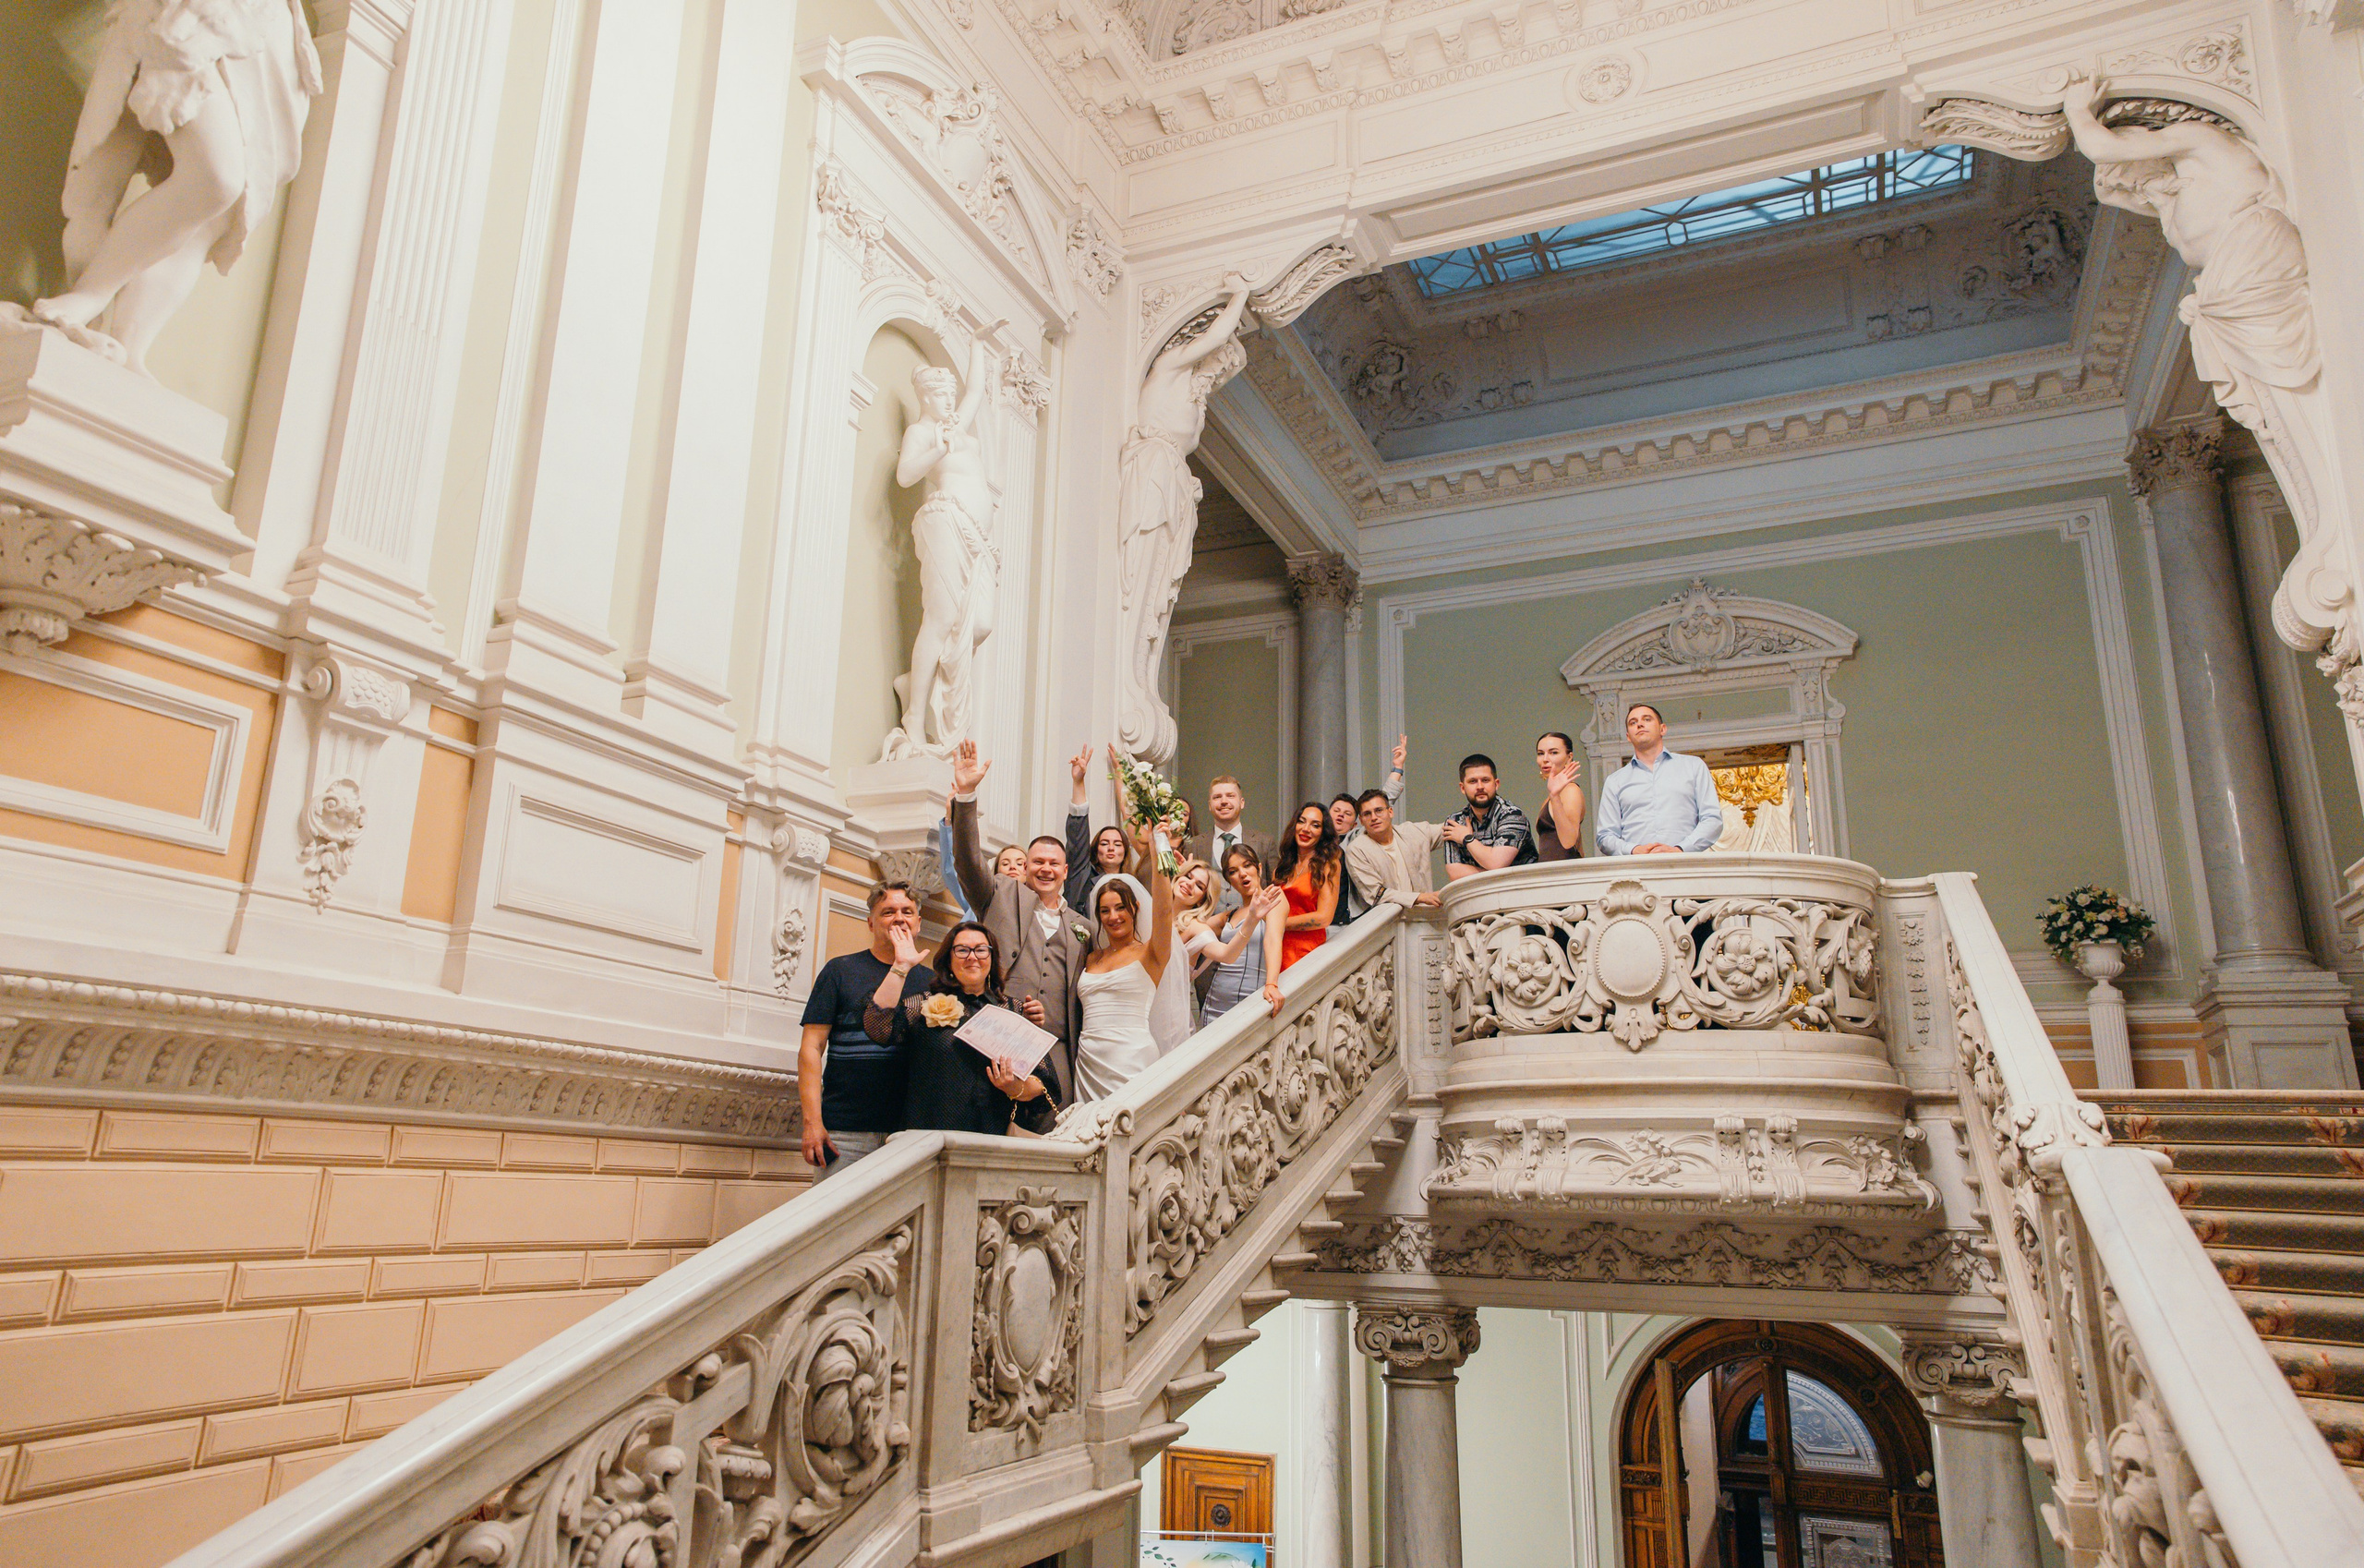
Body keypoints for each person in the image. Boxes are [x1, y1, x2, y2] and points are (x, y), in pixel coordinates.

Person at [947, 741, 1096, 1114]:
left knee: (1054, 1127)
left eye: (1053, 863)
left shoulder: (1083, 927)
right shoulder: (999, 894)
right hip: (997, 1038)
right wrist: (966, 796)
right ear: (1026, 868)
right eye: (1037, 862)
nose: (1045, 869)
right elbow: (966, 862)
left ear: (1065, 871)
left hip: (1058, 1045)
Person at [864, 921, 1055, 1137]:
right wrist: (900, 966)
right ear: (949, 960)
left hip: (994, 1139)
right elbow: (878, 1027)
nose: (972, 956)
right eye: (962, 950)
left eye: (981, 950)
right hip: (929, 1135)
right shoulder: (923, 1004)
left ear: (992, 959)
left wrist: (1013, 1087)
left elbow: (1045, 1086)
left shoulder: (1016, 1010)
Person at [798, 882, 933, 1178]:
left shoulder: (932, 982)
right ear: (871, 922)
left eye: (907, 911)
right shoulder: (840, 971)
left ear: (918, 923)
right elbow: (811, 1047)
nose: (899, 918)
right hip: (845, 1131)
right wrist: (812, 1123)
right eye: (888, 912)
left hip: (907, 1134)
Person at [1075, 823, 1179, 1100]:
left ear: (1135, 908)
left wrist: (1159, 852)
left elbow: (1165, 910)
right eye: (1105, 910)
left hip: (1131, 1058)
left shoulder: (1151, 953)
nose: (1113, 916)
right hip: (1088, 1061)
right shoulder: (1091, 957)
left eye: (1121, 907)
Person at [1595, 703, 1725, 855]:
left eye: (1647, 719)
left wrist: (1680, 849)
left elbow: (1712, 819)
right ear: (1628, 737)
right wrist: (1634, 850)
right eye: (1633, 722)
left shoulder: (1693, 766)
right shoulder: (1615, 781)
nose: (1640, 724)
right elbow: (1605, 835)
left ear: (1662, 729)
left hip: (1685, 867)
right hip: (1635, 870)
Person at [1195, 846, 1289, 1022]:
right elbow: (1191, 929)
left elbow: (1273, 939)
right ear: (1229, 880)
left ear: (1259, 868)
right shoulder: (1230, 914)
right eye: (1233, 871)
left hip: (1250, 1003)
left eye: (1247, 866)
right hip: (1214, 1004)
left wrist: (1272, 984)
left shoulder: (1273, 897)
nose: (1243, 874)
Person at [1333, 736, 1410, 925]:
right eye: (1336, 811)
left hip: (1347, 919)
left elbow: (1384, 800)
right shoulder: (1312, 841)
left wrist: (1397, 769)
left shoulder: (1356, 840)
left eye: (1347, 813)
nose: (1340, 815)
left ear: (1357, 823)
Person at [1344, 788, 1447, 911]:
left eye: (1379, 810)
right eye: (1367, 814)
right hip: (1386, 923)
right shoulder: (1357, 850)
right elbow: (1375, 893)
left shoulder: (1413, 832)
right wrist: (1420, 897)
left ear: (1390, 812)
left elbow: (1449, 829)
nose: (1374, 817)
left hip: (1424, 917)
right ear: (1361, 820)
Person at [1441, 754, 1538, 880]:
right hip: (1480, 896)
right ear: (1462, 788)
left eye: (1485, 780)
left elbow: (1496, 863)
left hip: (1522, 893)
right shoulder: (1455, 822)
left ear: (1496, 784)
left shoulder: (1512, 815)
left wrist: (1467, 839)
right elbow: (1454, 873)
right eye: (1473, 781)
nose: (1480, 786)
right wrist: (1501, 876)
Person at [1272, 802, 1342, 971]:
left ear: (1323, 833)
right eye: (1302, 821)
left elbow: (1324, 917)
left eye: (1315, 825)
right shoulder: (1283, 866)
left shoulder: (1329, 864)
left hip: (1306, 953)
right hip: (1276, 949)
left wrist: (1280, 924)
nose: (1306, 829)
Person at [1184, 776, 1278, 902]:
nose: (1224, 801)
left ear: (1242, 802)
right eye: (1217, 797)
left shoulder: (1265, 842)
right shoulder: (1193, 845)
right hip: (1206, 920)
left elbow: (1275, 887)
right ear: (1210, 805)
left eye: (1230, 796)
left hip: (1254, 918)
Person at [1533, 731, 1586, 862]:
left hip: (1565, 874)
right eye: (1541, 753)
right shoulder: (1553, 794)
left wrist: (1555, 796)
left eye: (1553, 752)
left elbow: (1569, 841)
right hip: (1549, 872)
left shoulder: (1571, 790)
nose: (1545, 759)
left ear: (1569, 757)